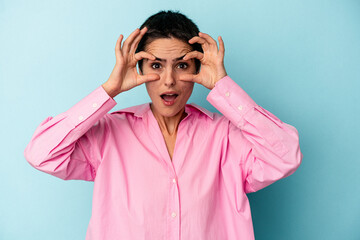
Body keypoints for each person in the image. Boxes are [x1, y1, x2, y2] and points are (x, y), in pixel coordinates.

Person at [24, 10, 303, 240]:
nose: (168, 80)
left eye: (182, 66)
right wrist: (109, 90)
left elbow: (286, 155)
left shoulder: (225, 136)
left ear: (196, 69)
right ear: (139, 69)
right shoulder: (108, 133)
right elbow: (41, 154)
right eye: (156, 65)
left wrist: (223, 86)